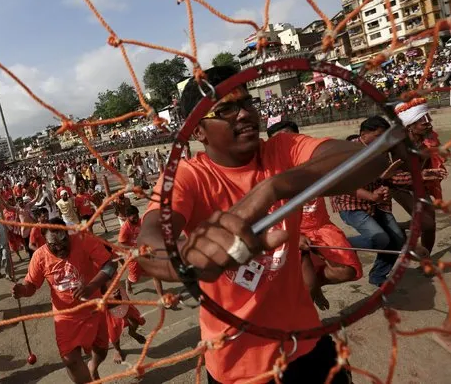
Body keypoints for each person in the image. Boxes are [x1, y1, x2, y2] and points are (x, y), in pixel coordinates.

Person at [135, 66, 390, 384]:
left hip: (307, 344)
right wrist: (186, 258)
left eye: (247, 103)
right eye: (226, 109)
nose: (243, 114)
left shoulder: (282, 149)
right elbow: (147, 244)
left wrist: (275, 186)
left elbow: (372, 158)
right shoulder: (188, 175)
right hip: (238, 365)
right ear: (198, 131)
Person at [267, 120, 362, 309]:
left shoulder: (315, 166)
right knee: (307, 287)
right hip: (290, 234)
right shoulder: (270, 177)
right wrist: (295, 236)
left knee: (348, 271)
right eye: (279, 141)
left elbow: (341, 184)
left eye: (291, 138)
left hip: (321, 227)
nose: (286, 144)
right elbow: (269, 215)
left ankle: (314, 286)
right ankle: (306, 316)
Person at [12, 218, 116, 383]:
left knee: (101, 350)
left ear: (68, 234)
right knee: (71, 361)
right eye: (54, 245)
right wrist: (22, 290)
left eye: (63, 241)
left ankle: (93, 367)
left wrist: (90, 287)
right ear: (45, 241)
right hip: (65, 316)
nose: (60, 247)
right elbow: (31, 285)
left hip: (93, 308)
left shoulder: (83, 240)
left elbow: (110, 266)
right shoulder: (39, 256)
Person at [331, 117, 406, 287]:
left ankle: (378, 276)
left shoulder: (382, 150)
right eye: (378, 135)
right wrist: (375, 191)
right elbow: (345, 184)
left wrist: (420, 176)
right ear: (364, 134)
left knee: (398, 240)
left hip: (376, 203)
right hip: (350, 204)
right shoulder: (347, 152)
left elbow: (388, 177)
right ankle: (338, 244)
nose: (383, 140)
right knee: (380, 239)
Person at [391, 97, 446, 253]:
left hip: (419, 185)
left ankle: (425, 257)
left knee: (431, 224)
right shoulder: (397, 142)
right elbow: (392, 172)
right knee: (426, 223)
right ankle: (399, 229)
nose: (429, 124)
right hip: (399, 186)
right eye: (424, 122)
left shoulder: (428, 139)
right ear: (410, 126)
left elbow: (439, 157)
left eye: (429, 119)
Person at [118, 206, 164, 298]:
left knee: (155, 274)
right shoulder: (125, 228)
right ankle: (129, 282)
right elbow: (121, 245)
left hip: (146, 252)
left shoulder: (141, 222)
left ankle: (162, 297)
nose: (136, 219)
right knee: (135, 278)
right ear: (127, 217)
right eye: (133, 217)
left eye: (137, 216)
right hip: (133, 256)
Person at [104, 286, 146, 364]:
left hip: (117, 291)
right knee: (113, 330)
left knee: (134, 319)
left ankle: (132, 332)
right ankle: (117, 349)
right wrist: (107, 298)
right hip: (104, 302)